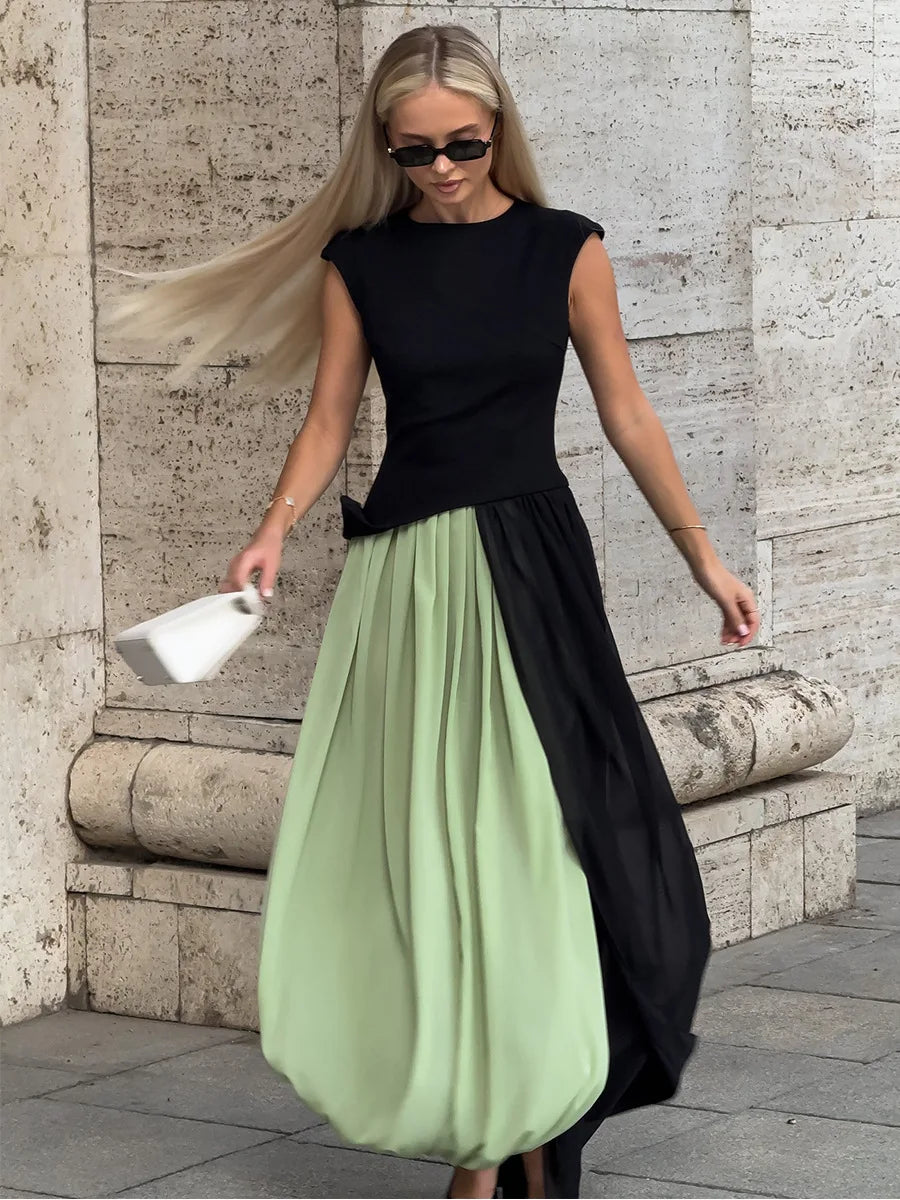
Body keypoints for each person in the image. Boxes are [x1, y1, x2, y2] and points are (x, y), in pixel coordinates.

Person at [105, 23, 760, 1199]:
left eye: (464, 143)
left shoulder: (567, 248)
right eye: (416, 151)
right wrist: (272, 529)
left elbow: (627, 413)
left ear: (499, 130)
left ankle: (513, 1135)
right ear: (386, 148)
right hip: (407, 582)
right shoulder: (362, 261)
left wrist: (704, 560)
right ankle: (492, 1140)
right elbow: (327, 421)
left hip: (531, 576)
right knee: (440, 855)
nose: (444, 168)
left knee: (535, 848)